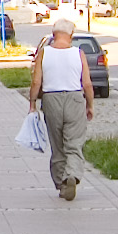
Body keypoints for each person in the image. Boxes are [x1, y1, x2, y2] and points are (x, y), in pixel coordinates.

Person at [26, 16, 92, 199]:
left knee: (57, 145)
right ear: (71, 35)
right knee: (74, 143)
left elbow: (36, 82)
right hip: (75, 99)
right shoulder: (78, 53)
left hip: (51, 99)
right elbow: (87, 84)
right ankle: (72, 175)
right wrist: (90, 105)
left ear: (54, 34)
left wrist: (32, 103)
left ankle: (61, 183)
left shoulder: (44, 53)